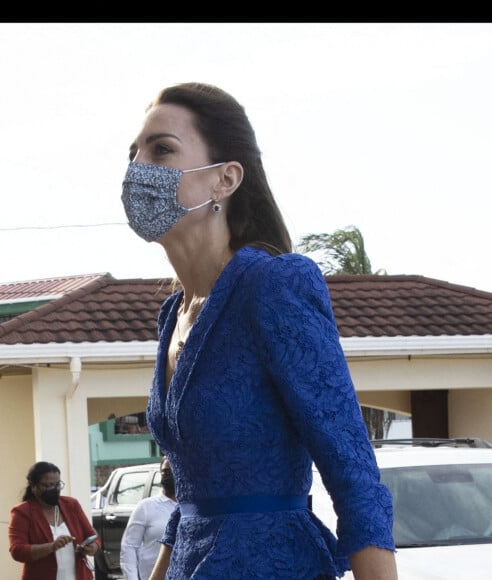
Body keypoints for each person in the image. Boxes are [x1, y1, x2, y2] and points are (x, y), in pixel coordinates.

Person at [120, 82, 398, 580]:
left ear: (224, 179)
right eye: (133, 153)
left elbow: (353, 472)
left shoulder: (275, 285)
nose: (138, 168)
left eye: (161, 149)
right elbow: (192, 496)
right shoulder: (173, 315)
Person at [8, 461, 100, 580]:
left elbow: (93, 536)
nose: (54, 489)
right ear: (33, 486)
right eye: (47, 485)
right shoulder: (22, 512)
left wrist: (93, 547)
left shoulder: (71, 505)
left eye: (57, 485)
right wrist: (51, 547)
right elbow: (17, 551)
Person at [120, 456, 178, 580]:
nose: (169, 475)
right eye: (165, 472)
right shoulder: (146, 507)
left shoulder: (191, 509)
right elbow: (129, 546)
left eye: (173, 471)